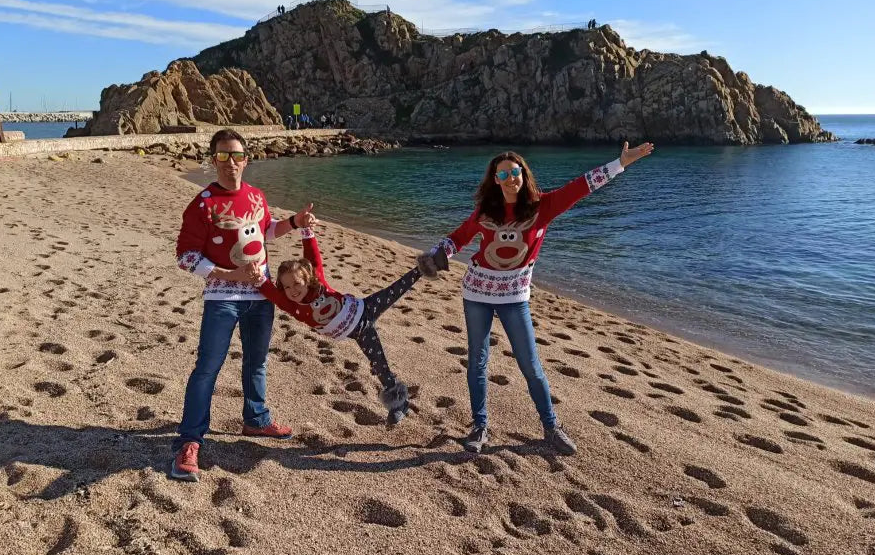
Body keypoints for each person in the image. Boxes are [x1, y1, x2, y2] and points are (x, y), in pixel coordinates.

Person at [421, 141, 654, 456]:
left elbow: (583, 185)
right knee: (477, 361)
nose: (510, 178)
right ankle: (479, 427)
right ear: (495, 180)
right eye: (502, 174)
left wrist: (620, 163)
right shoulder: (485, 211)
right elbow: (459, 237)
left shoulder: (544, 206)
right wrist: (439, 254)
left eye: (515, 172)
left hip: (515, 297)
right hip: (477, 292)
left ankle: (551, 427)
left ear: (523, 174)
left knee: (530, 364)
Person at [170, 129, 318, 482]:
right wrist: (229, 273)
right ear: (212, 160)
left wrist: (295, 223)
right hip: (223, 298)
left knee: (257, 362)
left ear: (246, 160)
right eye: (222, 156)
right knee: (207, 367)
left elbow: (265, 232)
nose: (230, 163)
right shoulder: (203, 203)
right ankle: (189, 441)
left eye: (236, 156)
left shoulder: (256, 196)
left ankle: (256, 420)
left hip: (261, 295)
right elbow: (185, 257)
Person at [255, 228, 449, 424]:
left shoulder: (318, 283)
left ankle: (434, 260)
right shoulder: (291, 305)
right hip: (358, 333)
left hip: (365, 309)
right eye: (287, 287)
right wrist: (259, 279)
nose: (292, 290)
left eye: (296, 283)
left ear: (308, 279)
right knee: (379, 364)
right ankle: (400, 403)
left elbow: (312, 256)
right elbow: (272, 293)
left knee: (397, 288)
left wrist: (307, 231)